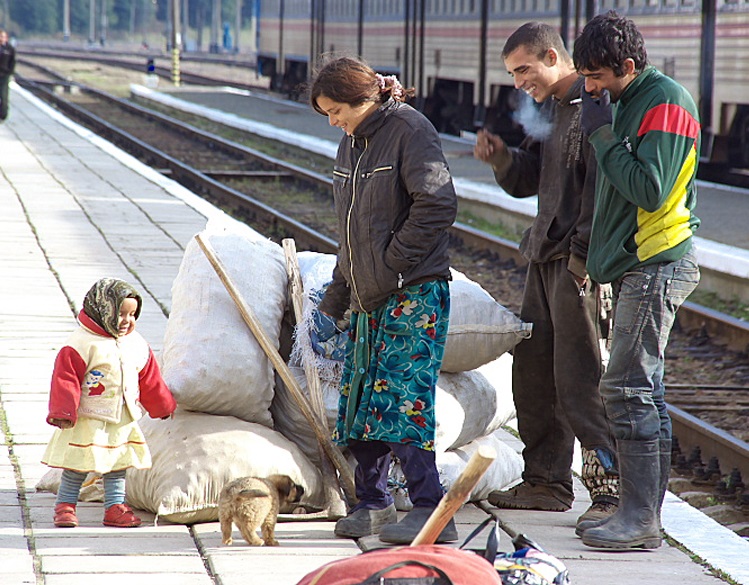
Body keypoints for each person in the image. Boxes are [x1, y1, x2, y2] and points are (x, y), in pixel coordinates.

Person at [474, 22, 619, 531]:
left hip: (578, 262)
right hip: (546, 255)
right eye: (513, 73)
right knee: (535, 370)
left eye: (523, 70)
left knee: (580, 377)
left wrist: (583, 259)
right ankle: (546, 481)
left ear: (553, 57)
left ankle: (609, 491)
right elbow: (531, 178)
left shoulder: (595, 104)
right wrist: (502, 159)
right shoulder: (556, 110)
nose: (518, 83)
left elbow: (604, 190)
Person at [308, 55, 458, 544]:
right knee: (361, 401)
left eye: (336, 111)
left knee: (402, 400)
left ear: (363, 98)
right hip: (370, 298)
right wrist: (334, 302)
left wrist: (391, 264)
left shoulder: (411, 131)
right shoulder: (352, 143)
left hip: (413, 293)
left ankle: (432, 509)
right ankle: (372, 503)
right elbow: (350, 235)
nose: (333, 122)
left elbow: (437, 203)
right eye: (326, 114)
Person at [573, 11, 701, 549]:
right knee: (643, 388)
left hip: (657, 262)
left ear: (627, 65)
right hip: (634, 264)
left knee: (626, 386)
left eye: (598, 77)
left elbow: (649, 190)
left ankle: (640, 519)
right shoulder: (627, 101)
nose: (590, 89)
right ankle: (640, 512)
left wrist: (602, 137)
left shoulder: (665, 104)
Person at [42, 278, 177, 528]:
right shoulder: (82, 343)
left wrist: (163, 405)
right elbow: (66, 378)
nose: (127, 320)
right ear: (103, 309)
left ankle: (115, 507)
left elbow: (149, 378)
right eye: (121, 313)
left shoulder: (136, 344)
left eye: (133, 314)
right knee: (78, 463)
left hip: (122, 418)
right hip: (88, 418)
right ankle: (65, 506)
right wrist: (63, 411)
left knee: (118, 464)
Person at [0, 29, 15, 122]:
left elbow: (13, 62)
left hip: (4, 76)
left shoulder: (10, 49)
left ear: (6, 38)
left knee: (4, 96)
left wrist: (10, 73)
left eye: (2, 36)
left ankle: (3, 114)